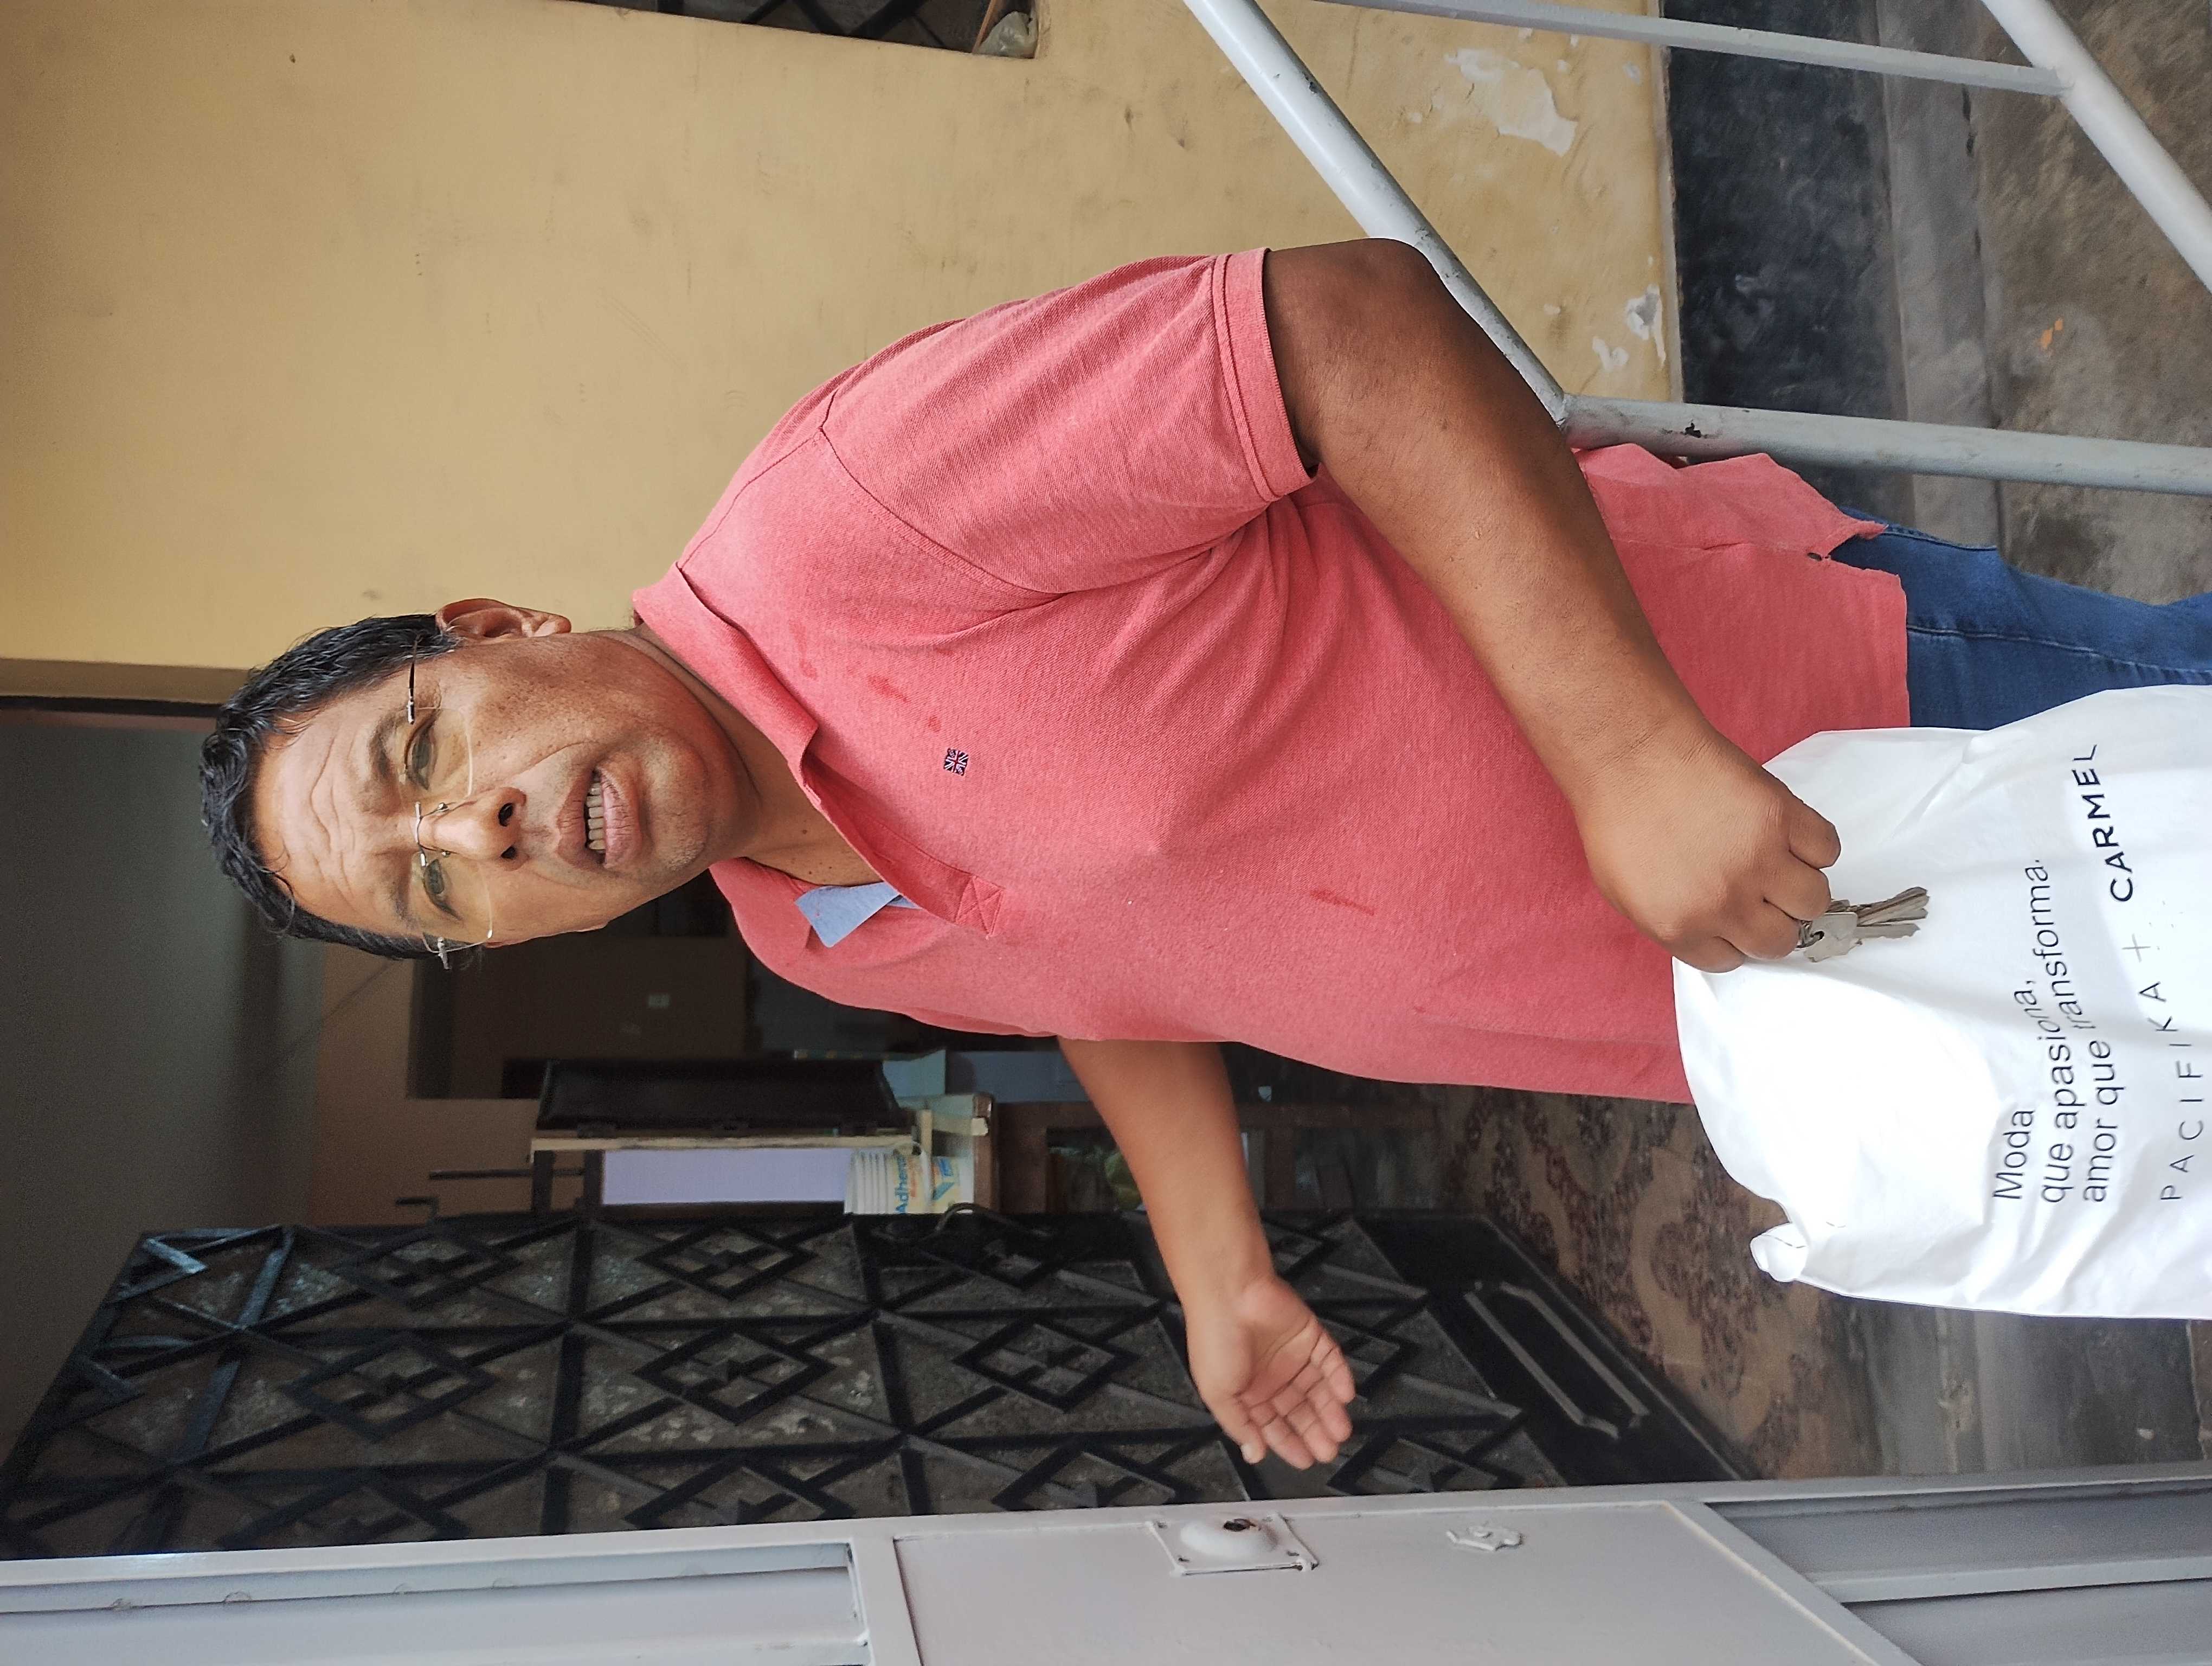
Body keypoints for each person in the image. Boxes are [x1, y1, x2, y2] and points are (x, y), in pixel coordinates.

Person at [200, 239, 2212, 1473]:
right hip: (1796, 1002)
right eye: (438, 885)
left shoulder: (845, 522)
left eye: (425, 754)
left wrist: (1626, 757)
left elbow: (1345, 323)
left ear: (498, 631)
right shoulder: (811, 934)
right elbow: (1104, 968)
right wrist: (1216, 1270)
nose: (481, 827)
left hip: (1850, 722)